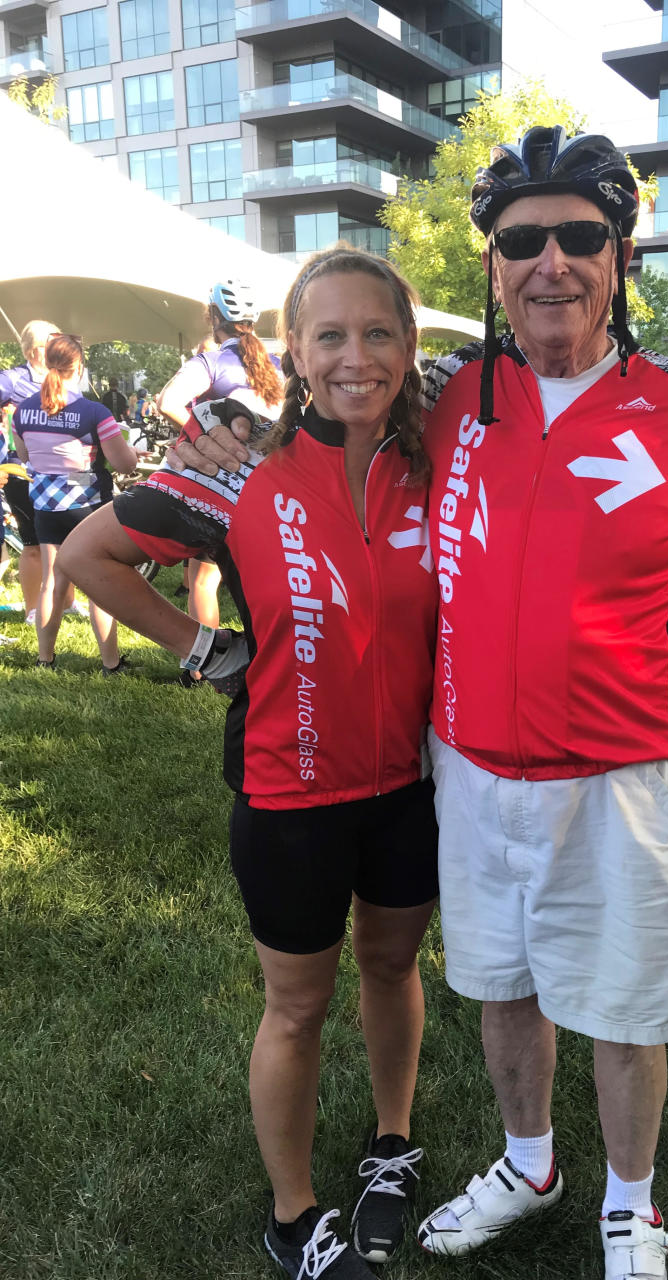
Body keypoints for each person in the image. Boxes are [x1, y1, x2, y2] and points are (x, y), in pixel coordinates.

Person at [173, 126, 668, 1280]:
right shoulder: (446, 392)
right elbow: (329, 410)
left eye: (580, 236)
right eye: (522, 241)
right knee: (503, 983)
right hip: (472, 768)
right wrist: (225, 442)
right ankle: (529, 1157)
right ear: (493, 268)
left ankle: (631, 1203)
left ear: (622, 253)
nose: (552, 263)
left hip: (627, 769)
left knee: (625, 1003)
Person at [60, 248, 440, 1280]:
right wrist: (199, 647)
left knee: (394, 965)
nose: (357, 356)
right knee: (298, 1004)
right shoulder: (240, 467)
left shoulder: (439, 460)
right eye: (331, 335)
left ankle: (393, 1141)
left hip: (411, 784)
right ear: (294, 352)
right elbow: (89, 552)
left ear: (408, 346)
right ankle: (293, 1213)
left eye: (380, 332)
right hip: (289, 792)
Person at [157, 281, 284, 668]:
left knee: (203, 580)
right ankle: (272, 658)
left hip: (220, 486)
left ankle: (202, 667)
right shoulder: (277, 364)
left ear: (214, 318)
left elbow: (167, 402)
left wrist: (205, 434)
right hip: (270, 486)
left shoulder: (211, 362)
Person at [12, 333, 138, 671]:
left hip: (45, 505)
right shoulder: (93, 411)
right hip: (88, 502)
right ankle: (111, 663)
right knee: (100, 582)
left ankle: (45, 659)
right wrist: (132, 453)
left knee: (52, 581)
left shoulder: (22, 411)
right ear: (79, 366)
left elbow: (25, 456)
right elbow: (125, 464)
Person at [0, 319, 58, 623]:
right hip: (22, 472)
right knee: (34, 543)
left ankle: (66, 599)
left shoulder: (61, 377)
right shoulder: (11, 380)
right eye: (53, 342)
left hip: (57, 472)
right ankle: (33, 608)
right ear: (36, 349)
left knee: (61, 541)